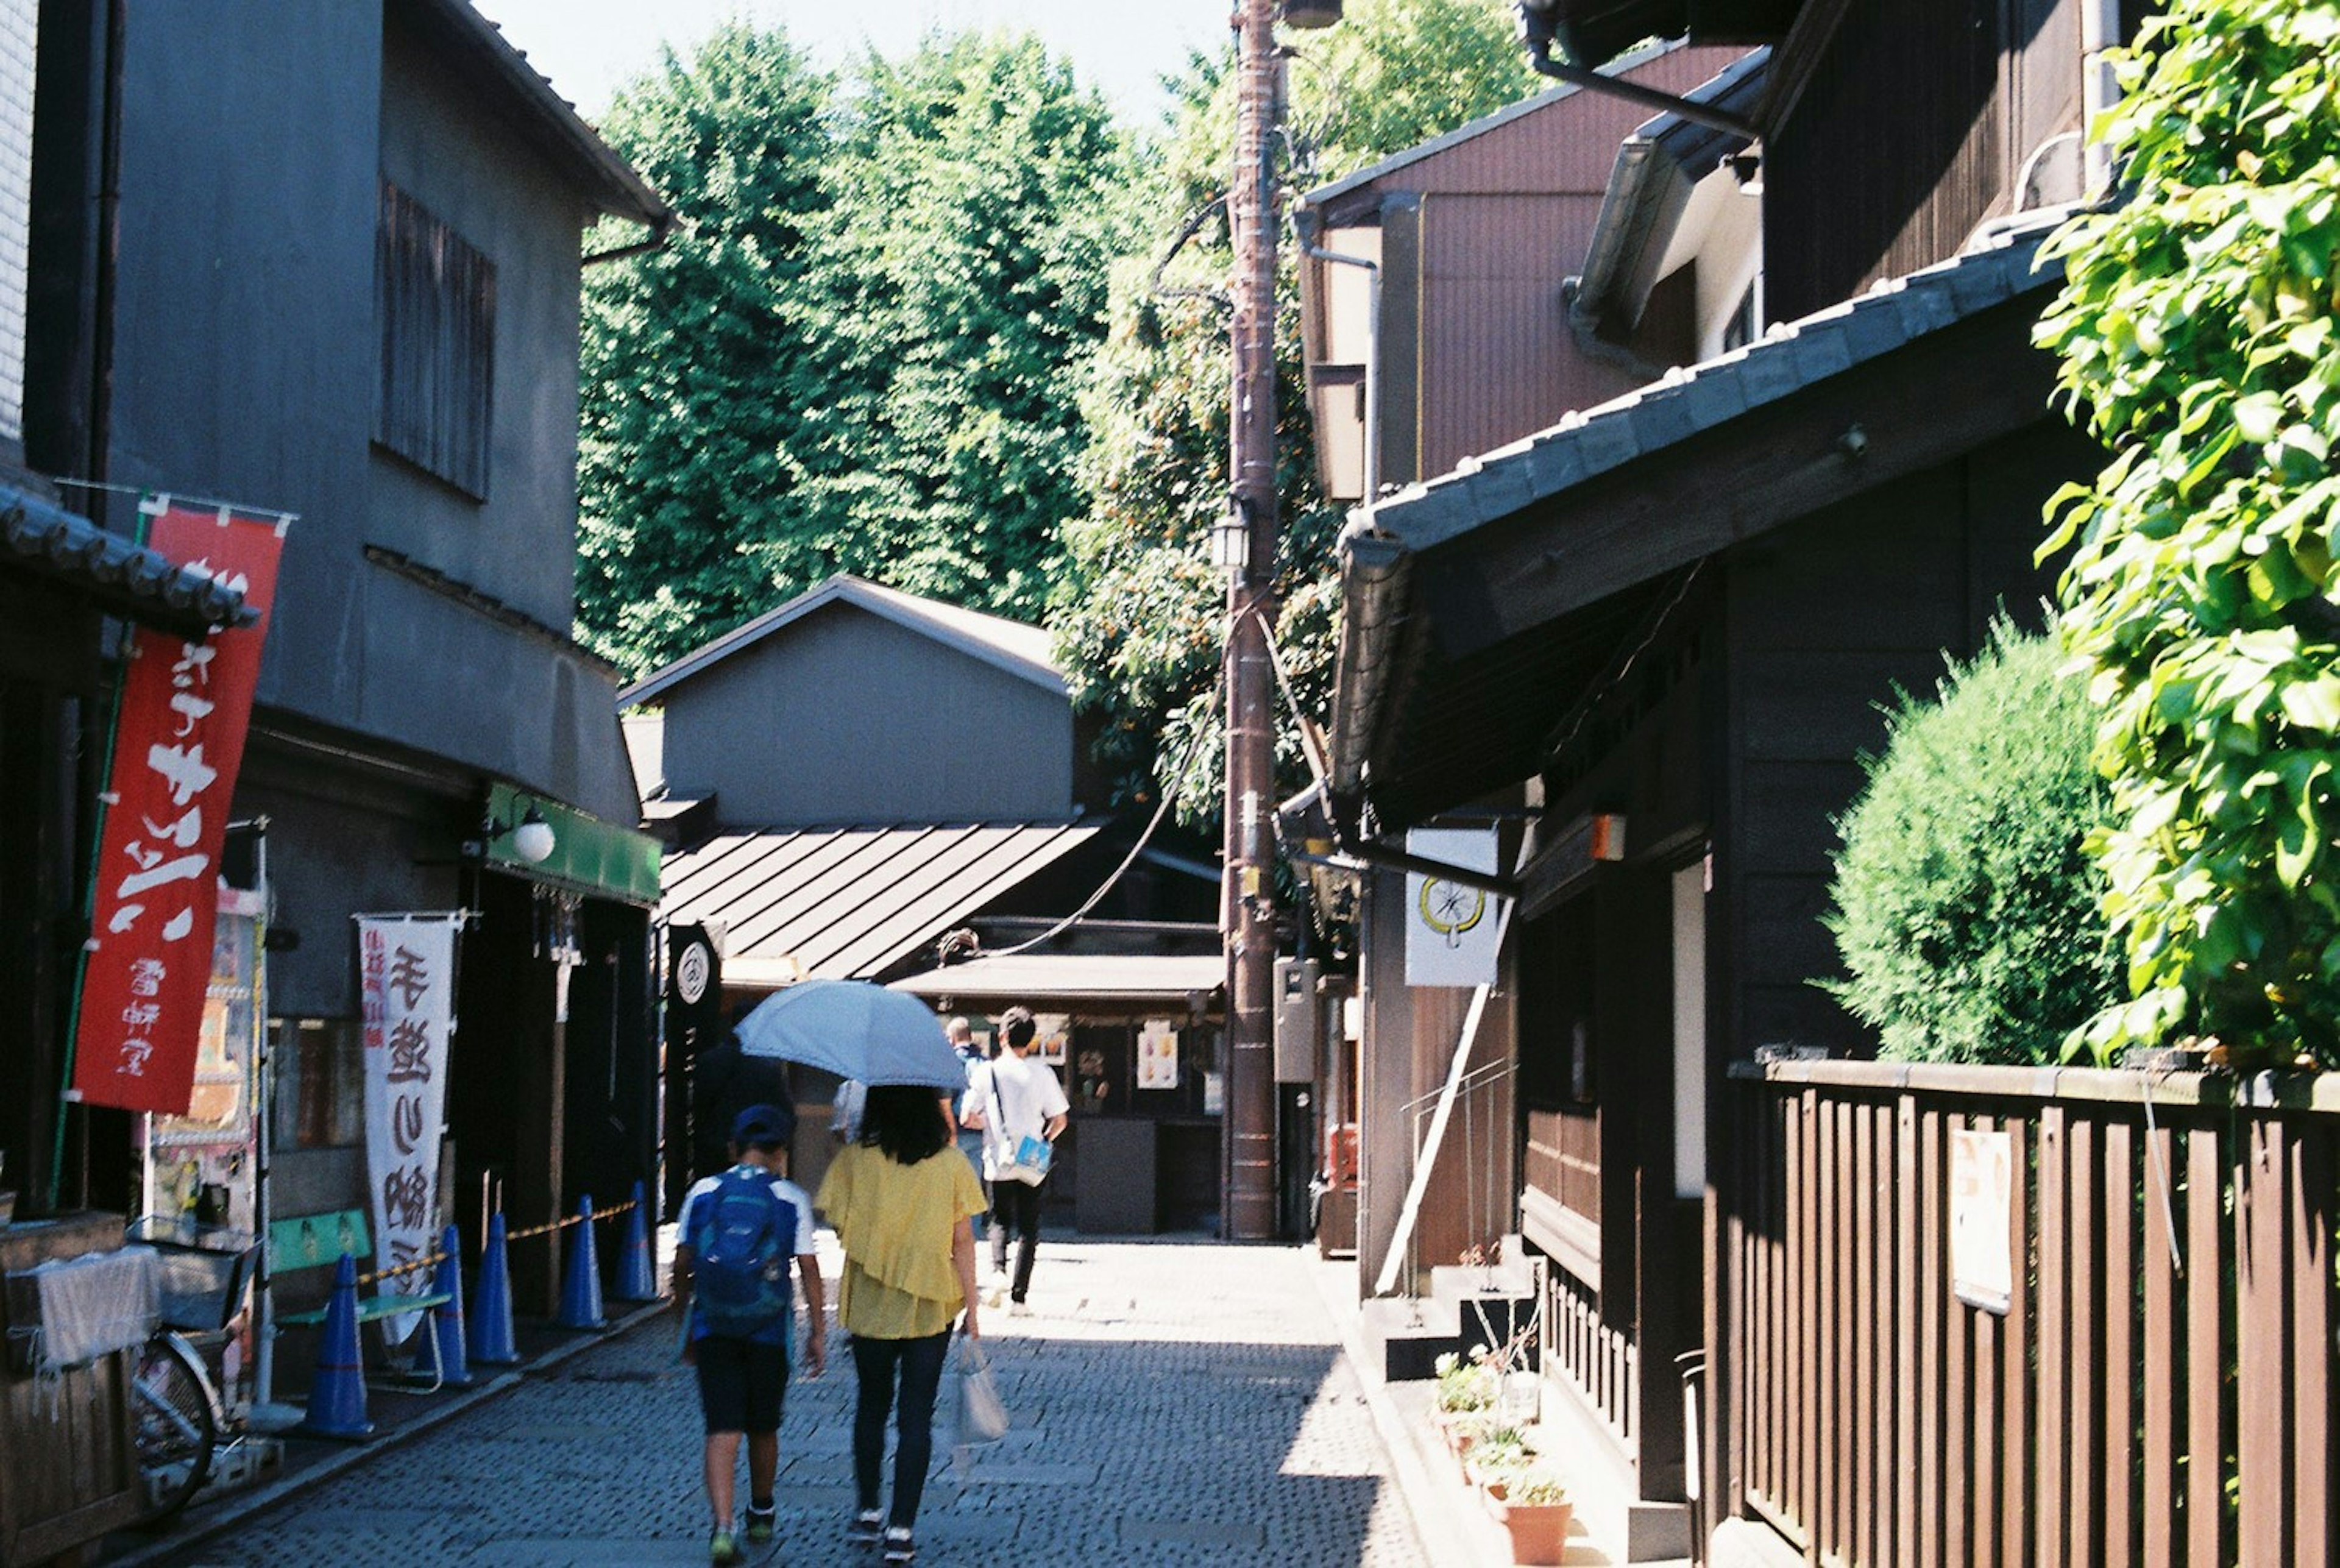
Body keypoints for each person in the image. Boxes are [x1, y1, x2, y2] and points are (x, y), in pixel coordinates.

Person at [815, 1084, 987, 1566]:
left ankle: (868, 1510)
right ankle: (902, 1528)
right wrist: (973, 1309)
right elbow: (963, 1242)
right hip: (931, 1302)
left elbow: (839, 1222)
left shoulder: (856, 1160)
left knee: (871, 1405)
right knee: (916, 1416)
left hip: (871, 1300)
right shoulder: (952, 1164)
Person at [673, 1104, 826, 1567]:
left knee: (722, 1427)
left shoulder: (703, 1192)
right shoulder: (789, 1197)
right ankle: (761, 1509)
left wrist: (686, 1318)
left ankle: (723, 1528)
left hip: (713, 1323)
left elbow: (682, 1263)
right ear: (781, 1151)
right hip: (768, 1330)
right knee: (763, 1424)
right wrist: (818, 1332)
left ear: (733, 1147)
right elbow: (809, 1270)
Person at [980, 1006, 1068, 1315]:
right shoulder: (1042, 1072)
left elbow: (968, 1116)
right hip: (1032, 1151)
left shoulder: (987, 1071)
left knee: (999, 1218)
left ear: (1002, 1036)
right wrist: (1044, 1140)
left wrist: (992, 1125)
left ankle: (997, 1271)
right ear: (1031, 1040)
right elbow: (1060, 1119)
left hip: (998, 1154)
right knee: (1030, 1227)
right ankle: (1019, 1299)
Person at [689, 1020, 795, 1183]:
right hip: (758, 1149)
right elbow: (786, 1114)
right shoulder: (767, 1067)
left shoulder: (709, 1061)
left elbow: (697, 1107)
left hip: (713, 1151)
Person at [946, 1017, 991, 1238]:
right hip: (979, 1131)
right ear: (970, 1037)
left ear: (953, 1038)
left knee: (948, 1188)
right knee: (972, 1187)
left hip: (952, 1130)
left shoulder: (949, 1062)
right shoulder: (985, 1063)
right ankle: (970, 1235)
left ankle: (948, 1233)